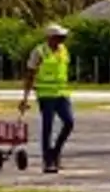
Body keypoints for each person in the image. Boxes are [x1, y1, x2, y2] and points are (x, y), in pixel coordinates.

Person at [20, 24, 74, 174]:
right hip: (46, 94)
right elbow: (30, 74)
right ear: (50, 38)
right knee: (47, 126)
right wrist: (25, 98)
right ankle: (48, 160)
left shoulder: (63, 50)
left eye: (63, 37)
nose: (62, 40)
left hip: (62, 93)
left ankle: (55, 152)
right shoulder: (39, 52)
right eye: (59, 37)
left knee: (69, 122)